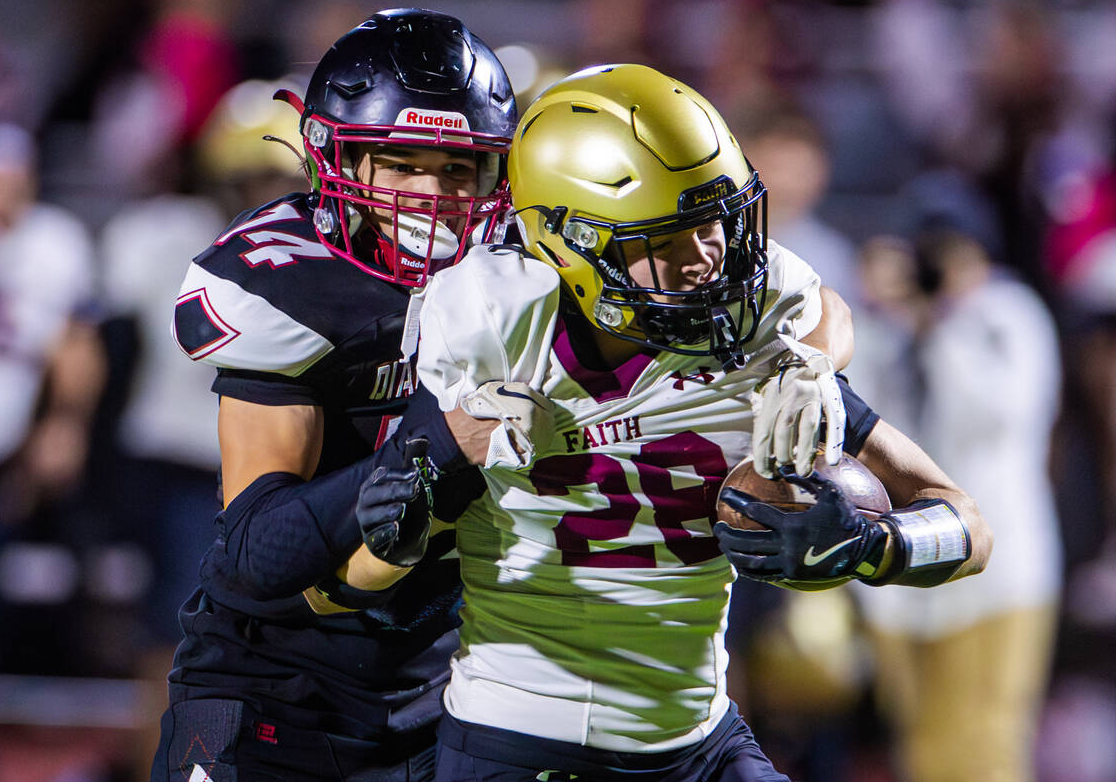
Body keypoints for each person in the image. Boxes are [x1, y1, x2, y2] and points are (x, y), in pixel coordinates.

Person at [406, 64, 992, 781]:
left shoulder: (766, 343)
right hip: (524, 737)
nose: (711, 255)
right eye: (669, 237)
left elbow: (969, 527)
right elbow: (383, 539)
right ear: (568, 245)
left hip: (699, 736)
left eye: (717, 220)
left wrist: (877, 545)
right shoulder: (496, 331)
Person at [151, 9, 518, 782]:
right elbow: (254, 552)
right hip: (271, 688)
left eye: (459, 170)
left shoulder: (521, 278)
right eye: (404, 164)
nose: (434, 195)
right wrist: (434, 449)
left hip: (441, 688)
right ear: (336, 159)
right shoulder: (292, 283)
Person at [853, 228, 1061, 782]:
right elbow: (857, 428)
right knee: (921, 749)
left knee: (986, 747)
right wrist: (887, 313)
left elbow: (1001, 414)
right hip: (901, 575)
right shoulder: (880, 325)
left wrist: (940, 323)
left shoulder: (1006, 313)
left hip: (997, 575)